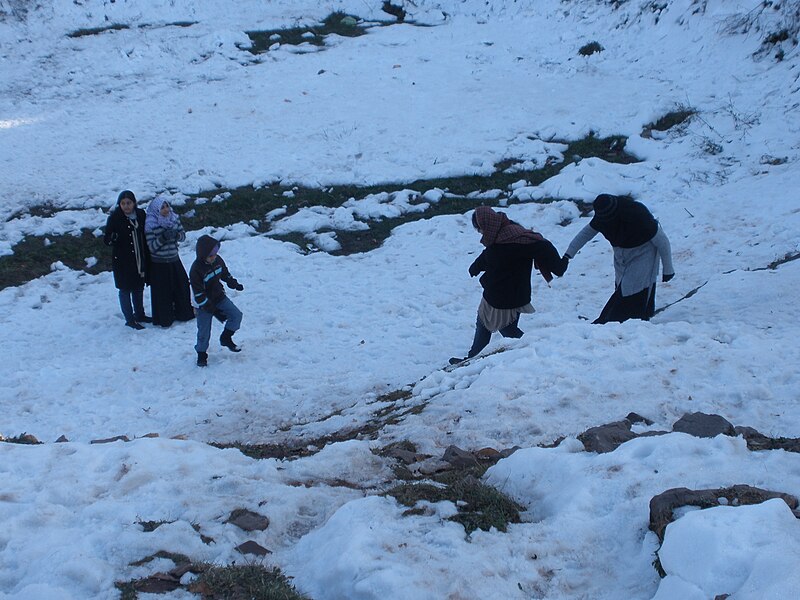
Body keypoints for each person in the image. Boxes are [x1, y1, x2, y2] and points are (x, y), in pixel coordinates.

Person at [449, 206, 568, 365]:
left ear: (486, 224)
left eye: (480, 229)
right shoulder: (497, 234)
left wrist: (559, 265)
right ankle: (473, 358)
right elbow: (489, 254)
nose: (480, 233)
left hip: (508, 297)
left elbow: (541, 244)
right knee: (483, 324)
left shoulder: (519, 239)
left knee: (508, 330)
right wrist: (476, 266)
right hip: (494, 293)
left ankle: (534, 349)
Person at [563, 194, 674, 324]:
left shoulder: (637, 214)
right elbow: (585, 234)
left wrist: (668, 269)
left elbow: (662, 241)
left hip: (643, 251)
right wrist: (567, 256)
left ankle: (618, 319)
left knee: (634, 288)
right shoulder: (603, 216)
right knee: (622, 287)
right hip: (620, 254)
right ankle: (635, 315)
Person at [190, 235, 244, 367]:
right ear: (203, 255)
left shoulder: (218, 260)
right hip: (203, 304)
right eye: (210, 256)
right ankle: (201, 354)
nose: (214, 257)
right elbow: (199, 296)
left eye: (215, 254)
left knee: (236, 315)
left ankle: (226, 338)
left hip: (219, 296)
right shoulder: (196, 270)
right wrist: (214, 311)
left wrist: (234, 284)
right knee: (204, 331)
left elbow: (225, 274)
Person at [103, 190, 151, 330]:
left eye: (129, 203)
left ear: (134, 203)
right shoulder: (115, 218)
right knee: (125, 289)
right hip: (123, 261)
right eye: (123, 204)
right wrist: (113, 238)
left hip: (139, 258)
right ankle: (129, 319)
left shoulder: (141, 215)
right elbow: (106, 239)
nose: (126, 206)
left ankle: (140, 314)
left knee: (138, 287)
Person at [144, 197, 194, 327]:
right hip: (159, 264)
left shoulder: (173, 219)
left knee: (182, 287)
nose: (166, 210)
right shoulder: (150, 224)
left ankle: (183, 313)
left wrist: (176, 235)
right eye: (162, 207)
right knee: (162, 293)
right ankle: (165, 318)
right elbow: (151, 247)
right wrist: (163, 238)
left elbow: (183, 236)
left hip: (174, 260)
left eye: (167, 206)